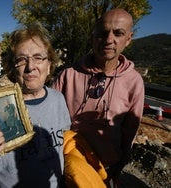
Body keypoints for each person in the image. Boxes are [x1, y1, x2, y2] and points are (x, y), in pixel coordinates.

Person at [0, 22, 71, 188]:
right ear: (12, 68)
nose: (31, 67)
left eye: (38, 58)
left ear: (49, 65)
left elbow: (64, 149)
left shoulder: (58, 99)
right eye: (22, 60)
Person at [52, 8, 145, 187]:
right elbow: (48, 116)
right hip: (67, 164)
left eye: (118, 33)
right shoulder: (68, 75)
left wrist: (120, 164)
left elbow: (130, 130)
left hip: (107, 168)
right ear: (93, 37)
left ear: (129, 39)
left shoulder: (134, 82)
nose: (109, 40)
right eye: (102, 33)